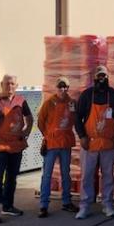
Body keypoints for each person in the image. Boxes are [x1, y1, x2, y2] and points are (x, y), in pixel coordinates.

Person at [74, 66, 114, 219]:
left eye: (104, 75)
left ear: (107, 77)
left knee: (108, 175)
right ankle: (84, 206)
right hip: (90, 143)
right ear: (94, 78)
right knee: (87, 176)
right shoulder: (86, 95)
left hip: (108, 144)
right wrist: (82, 136)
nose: (101, 78)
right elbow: (77, 117)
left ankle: (107, 204)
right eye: (98, 76)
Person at [36, 77, 80, 218]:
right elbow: (41, 122)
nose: (63, 89)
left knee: (65, 174)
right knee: (47, 175)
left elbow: (75, 119)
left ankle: (66, 201)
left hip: (65, 143)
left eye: (65, 86)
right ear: (56, 88)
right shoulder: (49, 103)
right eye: (60, 87)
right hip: (52, 144)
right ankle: (43, 205)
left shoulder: (72, 103)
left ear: (68, 88)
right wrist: (48, 136)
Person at [0, 74, 33, 218]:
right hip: (0, 148)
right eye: (7, 83)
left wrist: (26, 132)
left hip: (16, 147)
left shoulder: (21, 101)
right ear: (2, 84)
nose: (9, 86)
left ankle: (8, 206)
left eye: (12, 84)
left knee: (12, 178)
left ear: (16, 86)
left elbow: (29, 118)